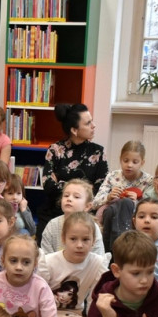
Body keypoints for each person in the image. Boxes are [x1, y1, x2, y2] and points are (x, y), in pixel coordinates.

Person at [38, 103, 108, 244]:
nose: (93, 126)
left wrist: (61, 183)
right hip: (55, 210)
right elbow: (48, 186)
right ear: (74, 130)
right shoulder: (55, 150)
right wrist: (83, 189)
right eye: (88, 123)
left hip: (85, 212)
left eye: (92, 121)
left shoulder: (98, 152)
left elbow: (101, 187)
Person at [36, 211, 110, 317]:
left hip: (73, 316)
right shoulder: (48, 262)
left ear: (93, 241)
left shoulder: (97, 264)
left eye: (85, 239)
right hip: (45, 313)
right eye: (73, 239)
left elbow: (94, 299)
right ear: (63, 239)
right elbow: (37, 293)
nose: (79, 245)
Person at [39, 178, 106, 257]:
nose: (69, 199)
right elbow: (46, 257)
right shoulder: (52, 225)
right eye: (66, 195)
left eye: (76, 197)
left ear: (87, 206)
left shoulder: (93, 227)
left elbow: (98, 258)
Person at [90, 140, 152, 215]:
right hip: (112, 215)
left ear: (142, 163)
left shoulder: (149, 180)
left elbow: (151, 209)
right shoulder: (112, 176)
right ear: (120, 159)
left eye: (135, 162)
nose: (129, 165)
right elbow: (94, 204)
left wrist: (136, 202)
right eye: (125, 161)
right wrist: (108, 197)